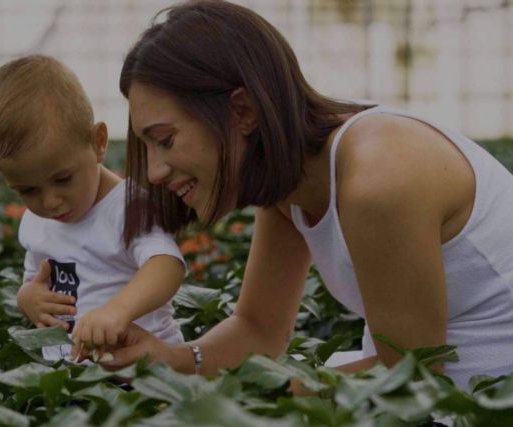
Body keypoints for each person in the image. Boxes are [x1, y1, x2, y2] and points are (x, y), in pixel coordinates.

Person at [97, 0, 513, 391]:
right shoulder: (290, 185)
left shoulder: (379, 179)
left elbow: (409, 379)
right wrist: (169, 360)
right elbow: (258, 328)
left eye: (165, 140)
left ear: (241, 111)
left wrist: (247, 402)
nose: (153, 171)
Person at [0, 55, 186, 362]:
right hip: (69, 374)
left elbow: (167, 265)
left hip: (141, 370)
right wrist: (28, 298)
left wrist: (117, 312)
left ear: (98, 142)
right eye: (27, 190)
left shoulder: (130, 207)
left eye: (63, 179)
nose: (50, 202)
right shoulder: (37, 221)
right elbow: (34, 279)